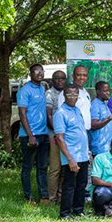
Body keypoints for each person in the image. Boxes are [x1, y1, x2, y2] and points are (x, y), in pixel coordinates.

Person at [53, 84, 90, 219]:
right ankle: (65, 213)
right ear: (64, 95)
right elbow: (60, 138)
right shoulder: (60, 113)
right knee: (69, 185)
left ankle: (78, 210)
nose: (72, 97)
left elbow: (81, 133)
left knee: (81, 184)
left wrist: (87, 152)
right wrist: (69, 158)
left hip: (83, 155)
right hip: (72, 156)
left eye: (75, 94)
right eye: (69, 94)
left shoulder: (77, 110)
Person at [18, 64, 50, 203]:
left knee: (42, 168)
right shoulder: (24, 90)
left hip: (44, 134)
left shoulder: (42, 88)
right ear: (30, 73)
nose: (39, 73)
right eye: (36, 71)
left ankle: (44, 197)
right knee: (27, 167)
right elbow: (22, 114)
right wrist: (30, 135)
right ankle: (28, 197)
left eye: (41, 71)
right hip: (29, 135)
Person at [45, 70, 67, 202]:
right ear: (52, 80)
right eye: (57, 78)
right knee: (55, 167)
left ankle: (60, 196)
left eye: (62, 78)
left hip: (66, 136)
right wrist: (58, 132)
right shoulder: (49, 94)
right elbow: (49, 115)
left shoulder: (67, 93)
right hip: (55, 135)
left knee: (65, 168)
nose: (60, 81)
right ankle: (52, 197)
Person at [56, 65, 92, 132]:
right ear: (73, 76)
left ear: (87, 77)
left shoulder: (86, 93)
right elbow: (61, 116)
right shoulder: (66, 92)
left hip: (86, 132)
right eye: (79, 75)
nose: (82, 77)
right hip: (73, 133)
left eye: (84, 75)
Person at [89, 81, 112, 157]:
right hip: (100, 149)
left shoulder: (104, 104)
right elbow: (94, 125)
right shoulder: (95, 105)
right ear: (98, 92)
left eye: (109, 90)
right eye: (105, 91)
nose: (108, 93)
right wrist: (110, 118)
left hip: (108, 148)